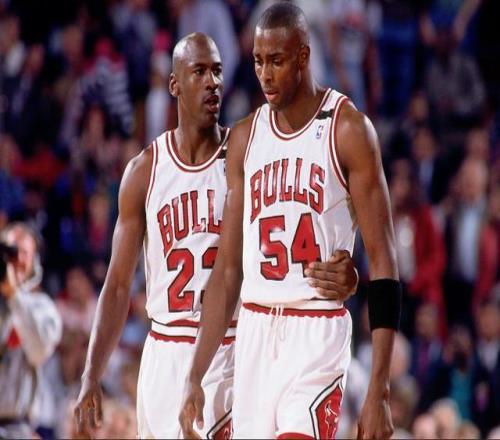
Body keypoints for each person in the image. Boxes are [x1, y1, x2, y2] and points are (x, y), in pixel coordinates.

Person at [74, 32, 359, 439]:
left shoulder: (248, 155)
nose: (213, 82)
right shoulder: (144, 171)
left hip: (228, 347)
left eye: (218, 71)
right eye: (200, 72)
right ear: (174, 84)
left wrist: (347, 268)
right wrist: (92, 373)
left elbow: (313, 211)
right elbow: (117, 286)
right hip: (163, 348)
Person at [179, 3, 401, 439]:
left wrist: (379, 389)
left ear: (303, 56)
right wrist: (195, 373)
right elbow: (228, 270)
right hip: (255, 332)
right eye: (258, 61)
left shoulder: (348, 130)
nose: (265, 74)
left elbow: (385, 261)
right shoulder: (244, 138)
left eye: (276, 61)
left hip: (316, 332)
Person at [0, 222, 62, 439]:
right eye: (10, 251)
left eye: (24, 252)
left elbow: (38, 351)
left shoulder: (42, 306)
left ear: (34, 261)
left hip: (17, 427)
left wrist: (13, 296)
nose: (16, 259)